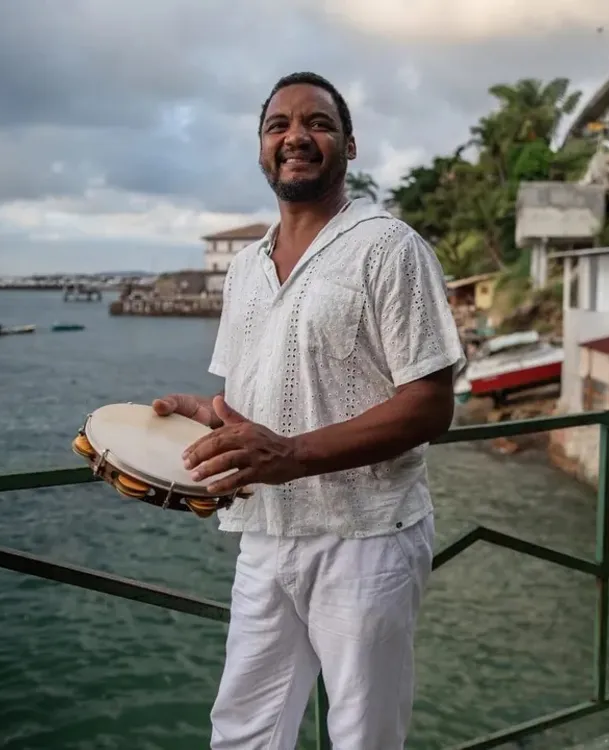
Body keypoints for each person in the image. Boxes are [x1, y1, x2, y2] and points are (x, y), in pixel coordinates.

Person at [151, 71, 465, 750]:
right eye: (278, 126)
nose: (296, 136)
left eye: (318, 123)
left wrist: (290, 456)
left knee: (363, 736)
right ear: (261, 150)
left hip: (367, 536)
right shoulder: (245, 268)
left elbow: (431, 405)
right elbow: (249, 401)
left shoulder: (389, 248)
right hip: (265, 533)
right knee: (242, 730)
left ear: (350, 146)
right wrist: (204, 417)